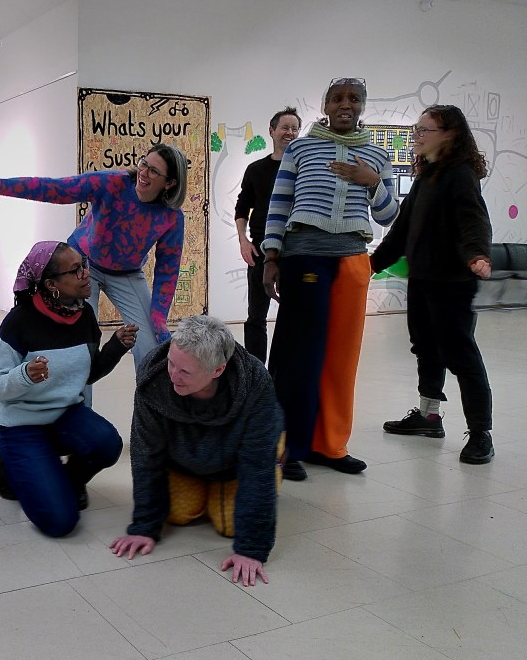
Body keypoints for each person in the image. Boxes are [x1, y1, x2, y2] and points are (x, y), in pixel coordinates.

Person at [262, 77, 398, 481]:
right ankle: (286, 447)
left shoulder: (376, 156)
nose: (346, 104)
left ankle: (330, 445)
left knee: (342, 357)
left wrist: (371, 182)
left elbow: (389, 216)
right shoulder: (301, 149)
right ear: (325, 103)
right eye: (338, 98)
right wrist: (272, 255)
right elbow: (280, 202)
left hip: (353, 260)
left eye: (354, 99)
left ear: (362, 106)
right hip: (305, 256)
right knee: (298, 356)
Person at [0, 143, 187, 370]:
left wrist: (159, 320)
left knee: (151, 346)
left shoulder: (171, 217)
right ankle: (78, 403)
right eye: (144, 163)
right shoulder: (112, 183)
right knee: (81, 345)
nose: (143, 173)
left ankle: (149, 403)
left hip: (127, 274)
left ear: (170, 182)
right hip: (81, 267)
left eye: (154, 171)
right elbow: (53, 189)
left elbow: (167, 272)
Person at [109, 316, 283, 587]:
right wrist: (144, 526)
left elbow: (256, 467)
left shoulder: (254, 382)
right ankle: (202, 484)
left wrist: (251, 549)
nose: (172, 375)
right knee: (177, 515)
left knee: (230, 526)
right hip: (186, 459)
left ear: (217, 369)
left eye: (185, 372)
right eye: (171, 363)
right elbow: (146, 454)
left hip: (234, 463)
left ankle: (280, 459)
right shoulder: (153, 378)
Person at [371, 105, 494, 464]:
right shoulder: (428, 175)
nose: (417, 135)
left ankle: (481, 433)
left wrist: (477, 254)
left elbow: (473, 219)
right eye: (417, 129)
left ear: (450, 135)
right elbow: (401, 232)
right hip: (423, 280)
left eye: (425, 130)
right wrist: (371, 265)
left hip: (452, 282)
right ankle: (429, 417)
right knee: (426, 348)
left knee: (461, 355)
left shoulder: (459, 175)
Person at [0, 241, 137, 537]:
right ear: (51, 284)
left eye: (84, 264)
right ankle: (6, 458)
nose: (86, 274)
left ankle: (67, 479)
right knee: (60, 522)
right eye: (76, 270)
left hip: (64, 416)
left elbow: (88, 374)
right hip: (21, 425)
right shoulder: (19, 322)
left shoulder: (84, 316)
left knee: (108, 444)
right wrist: (25, 375)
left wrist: (117, 346)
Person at [234, 107, 301, 362]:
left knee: (293, 314)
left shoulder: (304, 170)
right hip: (261, 250)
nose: (290, 133)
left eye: (295, 128)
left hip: (295, 248)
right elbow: (242, 207)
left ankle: (286, 369)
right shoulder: (256, 169)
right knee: (256, 316)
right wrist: (243, 241)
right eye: (285, 127)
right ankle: (255, 371)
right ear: (272, 131)